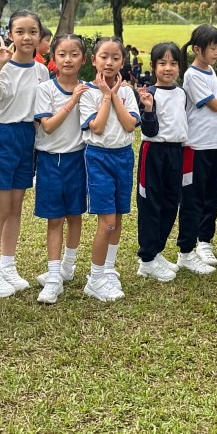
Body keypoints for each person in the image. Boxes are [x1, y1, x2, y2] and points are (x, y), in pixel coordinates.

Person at [0, 10, 50, 299]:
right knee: (1, 209)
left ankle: (7, 265)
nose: (26, 37)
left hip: (26, 137)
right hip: (2, 136)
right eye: (20, 31)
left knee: (16, 207)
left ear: (40, 36)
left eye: (32, 31)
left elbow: (41, 111)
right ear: (10, 35)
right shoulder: (3, 66)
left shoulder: (42, 71)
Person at [79, 37, 140, 301]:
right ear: (94, 60)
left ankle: (108, 269)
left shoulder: (126, 92)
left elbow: (129, 124)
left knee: (118, 217)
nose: (109, 62)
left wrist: (114, 94)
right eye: (104, 57)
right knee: (107, 223)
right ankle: (95, 278)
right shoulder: (86, 92)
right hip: (98, 158)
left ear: (122, 62)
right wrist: (106, 95)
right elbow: (97, 126)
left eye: (116, 58)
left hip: (124, 156)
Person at [31, 34, 90, 303]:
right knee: (54, 219)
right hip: (50, 161)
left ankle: (68, 266)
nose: (68, 59)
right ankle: (54, 276)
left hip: (78, 159)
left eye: (74, 54)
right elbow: (48, 126)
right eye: (62, 54)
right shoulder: (46, 89)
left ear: (83, 59)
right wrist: (72, 101)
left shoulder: (88, 90)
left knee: (75, 215)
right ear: (53, 58)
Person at [178, 24, 217, 273]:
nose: (216, 52)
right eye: (212, 48)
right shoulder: (192, 75)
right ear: (197, 49)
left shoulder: (210, 70)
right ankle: (186, 250)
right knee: (193, 198)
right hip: (196, 146)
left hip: (216, 144)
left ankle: (204, 241)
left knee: (212, 195)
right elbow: (215, 105)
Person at [135, 42, 189, 282]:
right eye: (162, 63)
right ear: (153, 66)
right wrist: (148, 109)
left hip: (176, 152)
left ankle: (156, 252)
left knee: (170, 203)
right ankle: (146, 260)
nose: (168, 68)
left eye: (173, 63)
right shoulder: (150, 94)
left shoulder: (181, 93)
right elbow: (149, 130)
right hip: (154, 152)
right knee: (151, 204)